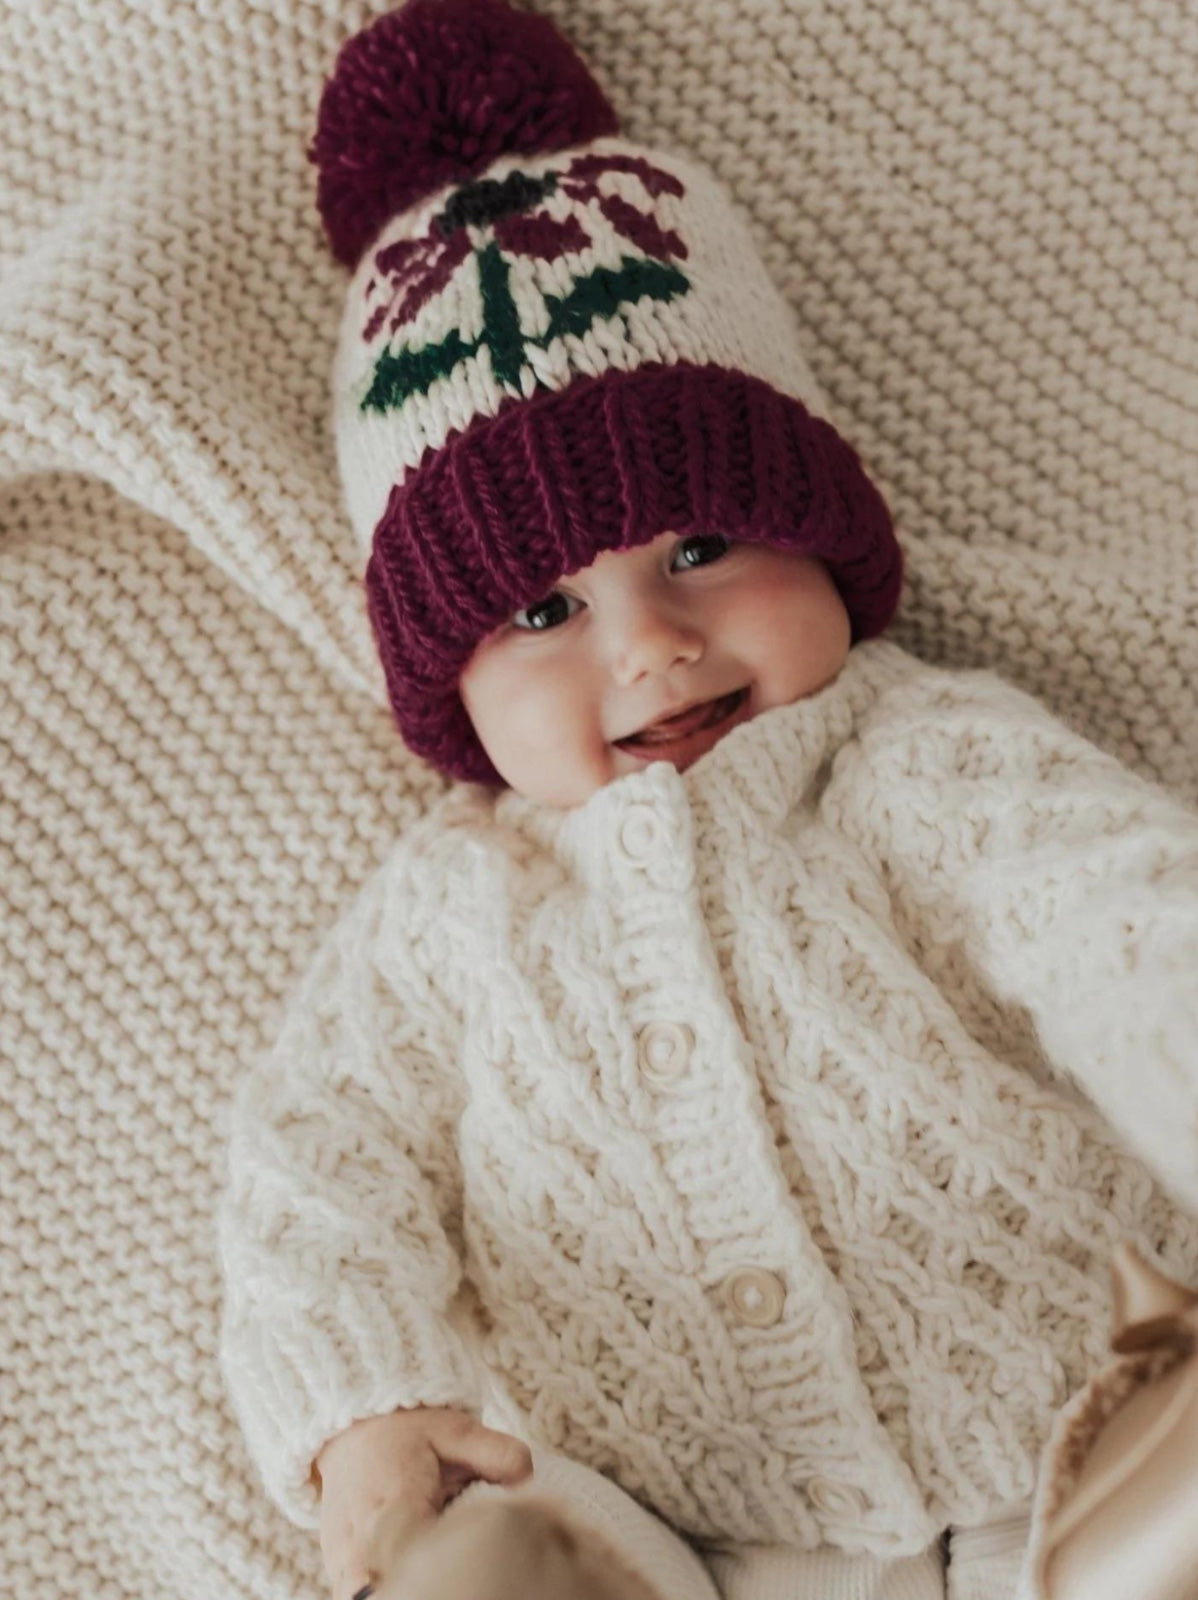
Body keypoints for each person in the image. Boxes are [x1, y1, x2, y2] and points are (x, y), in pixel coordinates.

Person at [216, 3, 1198, 1598]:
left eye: (700, 550)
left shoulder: (918, 761)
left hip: (1078, 1419)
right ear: (450, 686)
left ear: (817, 540)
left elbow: (1122, 920)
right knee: (493, 1560)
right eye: (544, 611)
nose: (649, 646)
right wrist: (364, 1406)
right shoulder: (452, 914)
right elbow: (318, 1153)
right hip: (682, 1530)